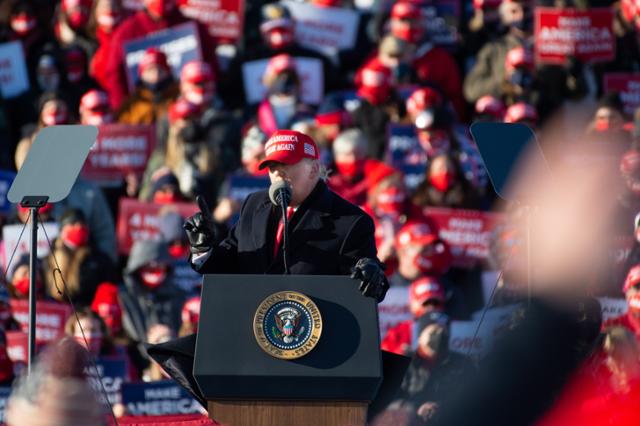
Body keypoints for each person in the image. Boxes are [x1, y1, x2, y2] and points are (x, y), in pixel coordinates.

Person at [184, 129, 388, 300]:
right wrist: (203, 249)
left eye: (287, 165)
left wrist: (371, 274)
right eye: (272, 167)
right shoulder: (254, 205)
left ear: (314, 169)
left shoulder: (350, 221)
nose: (278, 174)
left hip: (312, 336)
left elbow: (369, 285)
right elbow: (229, 265)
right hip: (250, 326)